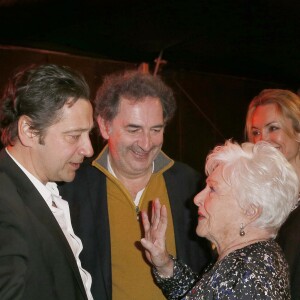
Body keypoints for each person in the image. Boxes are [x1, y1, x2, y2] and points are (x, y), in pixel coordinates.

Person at [59, 70, 211, 300]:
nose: (146, 143)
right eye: (134, 129)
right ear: (104, 126)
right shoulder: (71, 189)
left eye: (156, 130)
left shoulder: (191, 185)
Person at [140, 140, 299, 299]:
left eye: (213, 189)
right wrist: (164, 264)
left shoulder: (248, 276)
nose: (197, 198)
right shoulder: (254, 259)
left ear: (250, 210)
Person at [0, 64, 94, 300]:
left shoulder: (40, 188)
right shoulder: (4, 203)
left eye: (88, 134)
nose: (89, 149)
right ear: (29, 130)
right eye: (74, 136)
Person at [245, 89, 300, 299]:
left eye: (273, 128)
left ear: (298, 132)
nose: (262, 141)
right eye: (256, 132)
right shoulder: (254, 195)